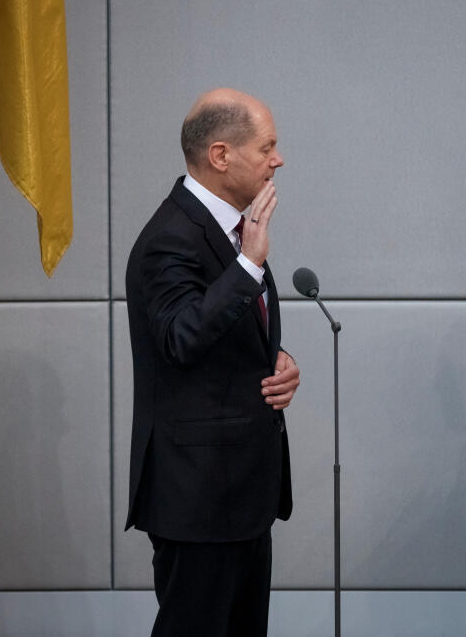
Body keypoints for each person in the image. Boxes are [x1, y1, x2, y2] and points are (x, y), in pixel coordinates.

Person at [124, 88, 300, 636]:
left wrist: (276, 357)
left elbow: (226, 328)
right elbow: (180, 337)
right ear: (220, 156)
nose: (279, 158)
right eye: (267, 146)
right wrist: (249, 263)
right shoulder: (169, 238)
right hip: (198, 498)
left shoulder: (234, 228)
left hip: (241, 493)